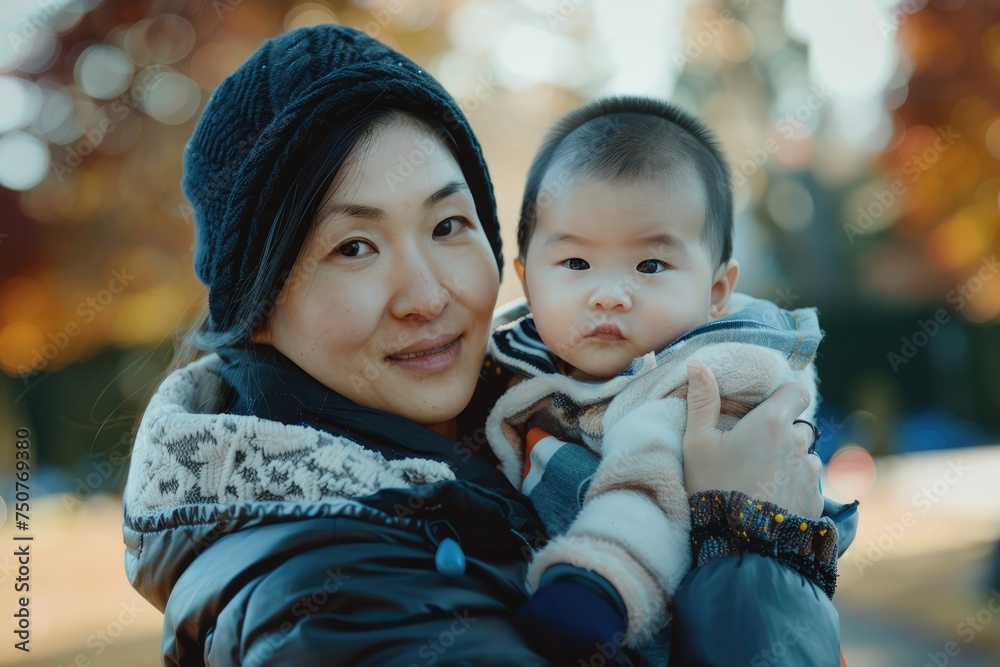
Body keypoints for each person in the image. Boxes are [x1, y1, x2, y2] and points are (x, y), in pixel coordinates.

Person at [121, 24, 855, 666]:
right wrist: (756, 550)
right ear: (257, 309)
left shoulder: (526, 426)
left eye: (447, 226)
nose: (429, 296)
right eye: (353, 246)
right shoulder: (328, 600)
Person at [482, 96, 857, 663]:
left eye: (650, 266)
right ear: (527, 283)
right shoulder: (507, 358)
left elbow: (646, 488)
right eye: (576, 264)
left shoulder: (707, 381)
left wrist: (595, 586)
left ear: (715, 293)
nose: (609, 293)